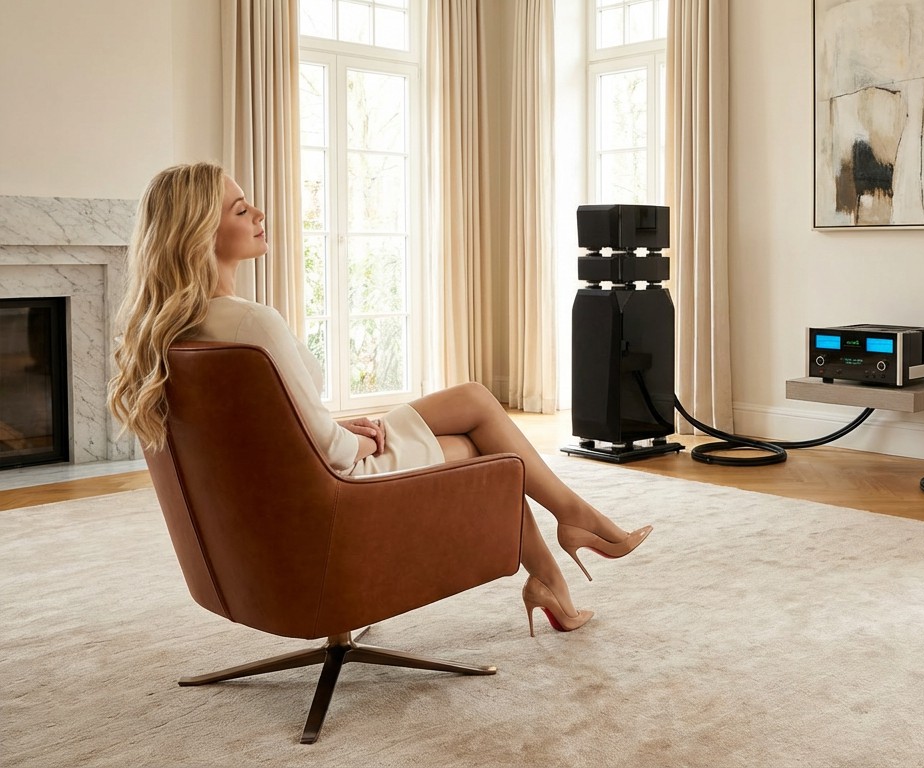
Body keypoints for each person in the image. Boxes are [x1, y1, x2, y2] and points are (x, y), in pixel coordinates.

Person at [108, 162, 651, 637]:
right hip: (336, 488)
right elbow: (332, 451)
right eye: (241, 209)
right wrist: (354, 440)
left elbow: (267, 428)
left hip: (290, 491)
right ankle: (570, 532)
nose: (259, 214)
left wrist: (334, 428)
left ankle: (557, 562)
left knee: (473, 402)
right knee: (484, 445)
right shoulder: (251, 323)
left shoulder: (166, 331)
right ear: (201, 231)